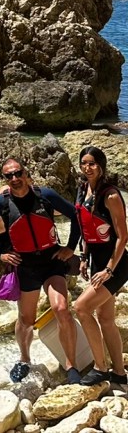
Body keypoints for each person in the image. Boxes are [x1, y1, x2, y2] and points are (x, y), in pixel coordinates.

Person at [0, 156, 81, 384]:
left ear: (26, 173)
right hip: (25, 266)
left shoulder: (45, 195)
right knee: (26, 319)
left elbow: (75, 215)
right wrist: (0, 253)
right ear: (5, 179)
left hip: (52, 260)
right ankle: (24, 359)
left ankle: (71, 365)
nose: (15, 178)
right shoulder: (1, 203)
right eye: (9, 175)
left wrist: (70, 248)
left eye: (18, 173)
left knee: (61, 308)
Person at [73, 145, 128, 386]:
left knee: (81, 308)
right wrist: (84, 257)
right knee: (105, 318)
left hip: (116, 264)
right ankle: (119, 373)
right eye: (84, 163)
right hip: (96, 260)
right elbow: (87, 229)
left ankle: (100, 367)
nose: (88, 167)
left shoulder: (112, 195)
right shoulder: (82, 189)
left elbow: (123, 237)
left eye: (92, 163)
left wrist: (108, 270)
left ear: (102, 166)